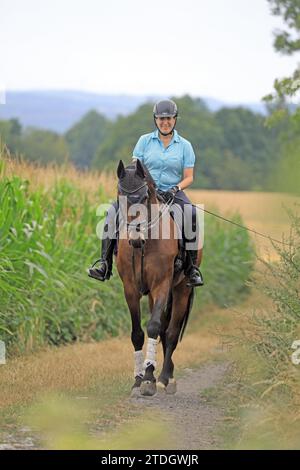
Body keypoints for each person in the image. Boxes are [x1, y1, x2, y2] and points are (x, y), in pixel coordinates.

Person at [88, 99, 204, 287]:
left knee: (190, 213)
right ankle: (104, 263)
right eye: (161, 119)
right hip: (144, 193)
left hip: (173, 193)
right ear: (155, 120)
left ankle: (191, 269)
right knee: (111, 211)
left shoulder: (185, 146)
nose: (165, 122)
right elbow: (135, 168)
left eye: (169, 118)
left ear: (175, 119)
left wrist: (175, 189)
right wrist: (146, 187)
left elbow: (189, 177)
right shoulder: (144, 141)